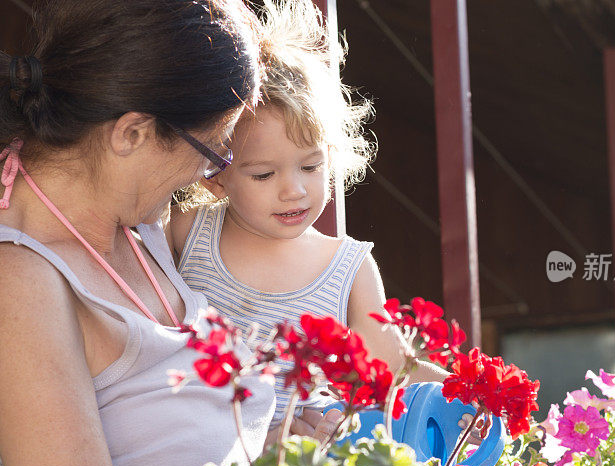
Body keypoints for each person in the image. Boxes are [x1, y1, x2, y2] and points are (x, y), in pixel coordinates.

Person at [0, 0, 316, 466]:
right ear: (131, 133)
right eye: (213, 150)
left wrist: (273, 448)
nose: (207, 175)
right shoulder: (14, 280)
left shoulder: (131, 222)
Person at [167, 0, 450, 442]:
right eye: (264, 174)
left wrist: (468, 395)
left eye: (311, 167)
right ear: (216, 176)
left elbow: (392, 366)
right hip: (193, 459)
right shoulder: (189, 233)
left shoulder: (348, 267)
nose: (294, 190)